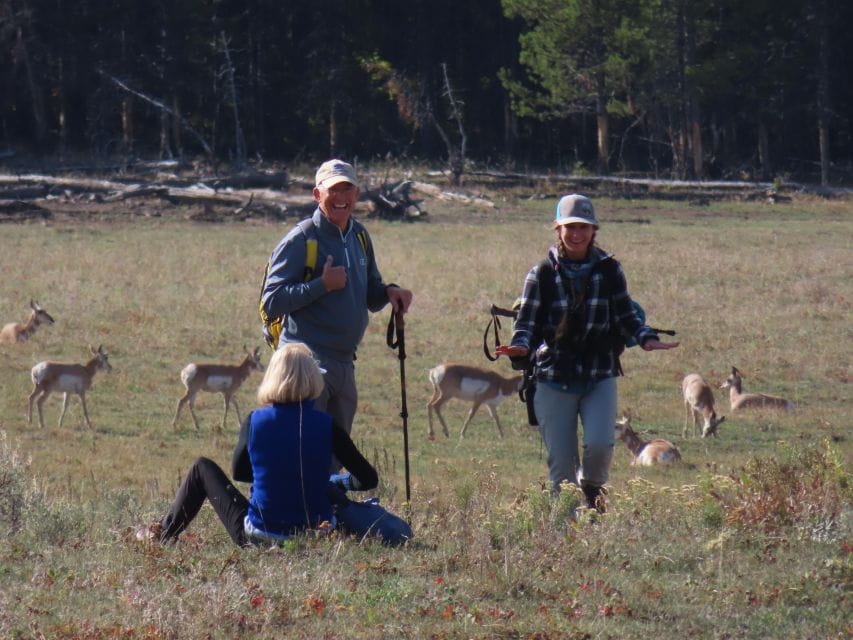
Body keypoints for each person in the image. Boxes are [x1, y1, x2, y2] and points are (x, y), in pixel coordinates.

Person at [496, 194, 679, 512]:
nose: (576, 234)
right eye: (570, 227)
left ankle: (593, 490)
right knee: (562, 466)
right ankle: (562, 532)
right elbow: (526, 323)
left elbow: (626, 315)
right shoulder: (540, 274)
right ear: (558, 229)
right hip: (553, 377)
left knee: (600, 445)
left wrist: (646, 337)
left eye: (583, 227)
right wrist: (520, 346)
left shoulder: (610, 271)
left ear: (594, 230)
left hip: (599, 374)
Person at [138, 343, 412, 547]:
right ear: (314, 378)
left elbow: (240, 473)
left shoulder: (255, 421)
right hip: (317, 533)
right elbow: (368, 479)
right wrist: (335, 482)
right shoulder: (327, 424)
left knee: (202, 467)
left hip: (260, 535)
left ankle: (162, 534)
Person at [260, 159, 413, 442]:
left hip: (345, 364)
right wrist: (322, 285)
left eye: (347, 190)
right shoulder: (301, 239)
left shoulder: (359, 235)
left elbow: (370, 294)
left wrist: (390, 293)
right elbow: (272, 302)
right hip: (303, 366)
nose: (341, 198)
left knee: (333, 461)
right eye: (334, 190)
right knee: (301, 455)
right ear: (317, 194)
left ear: (356, 194)